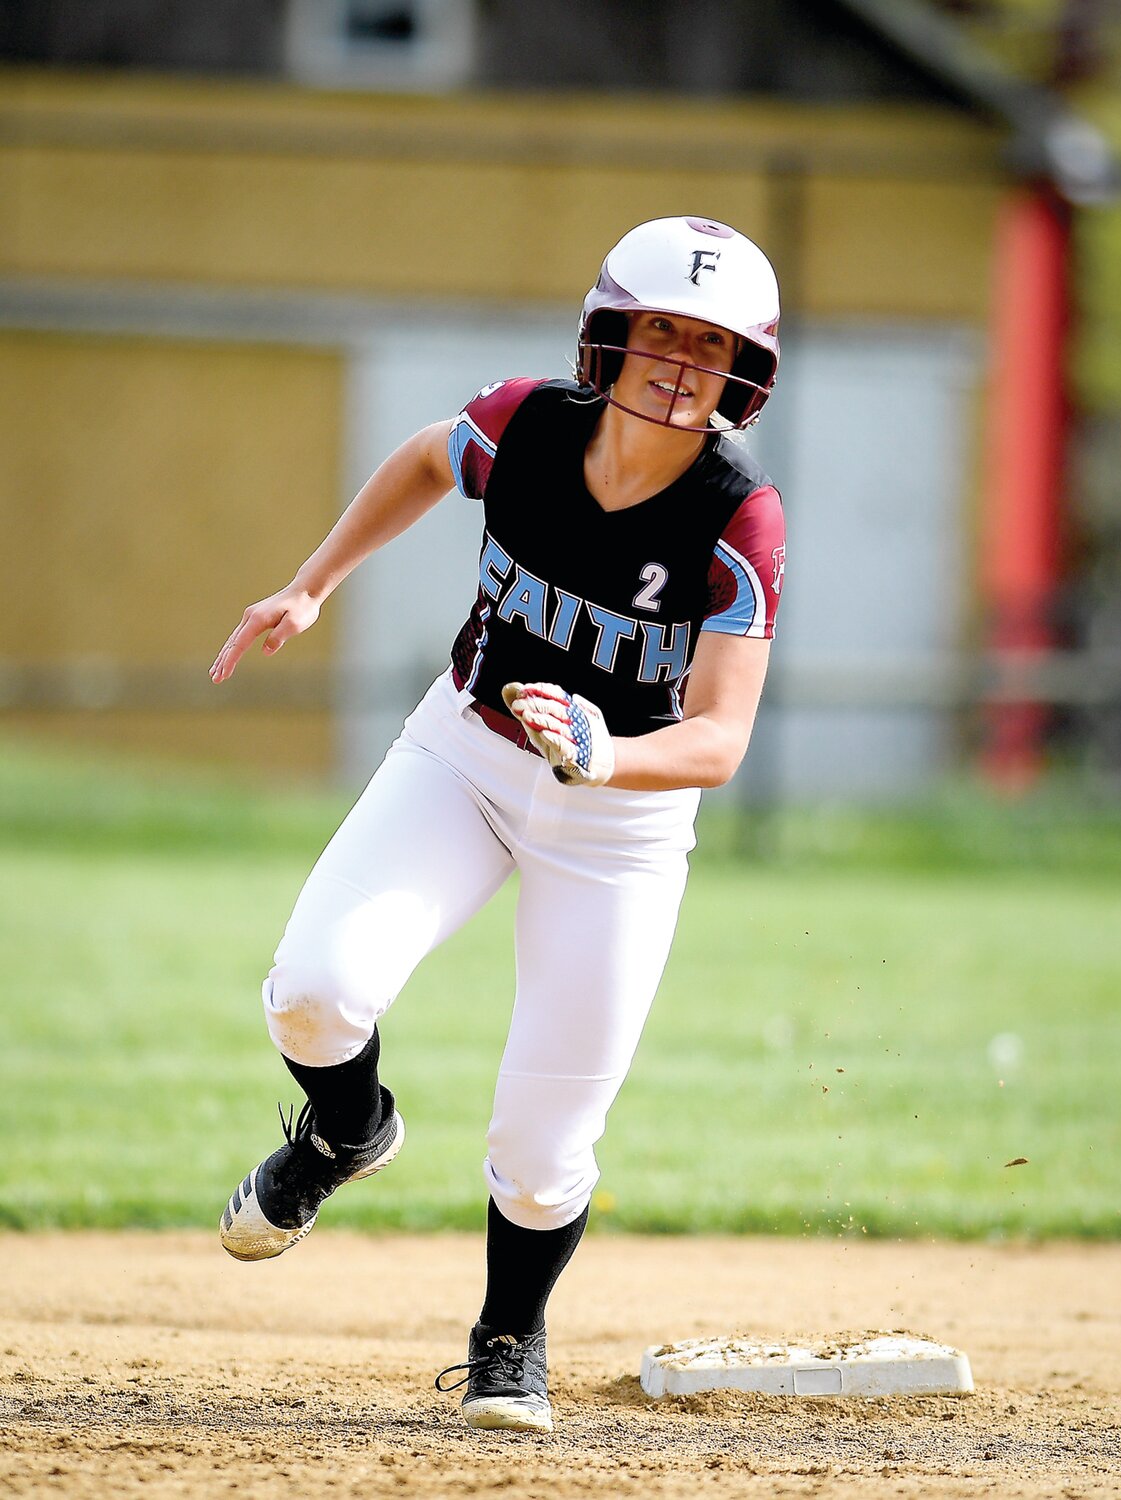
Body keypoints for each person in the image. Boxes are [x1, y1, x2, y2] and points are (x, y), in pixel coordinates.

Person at [210, 216, 786, 1434]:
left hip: (619, 823)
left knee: (542, 1145)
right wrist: (313, 583)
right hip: (464, 754)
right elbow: (429, 459)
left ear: (746, 376)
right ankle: (347, 1135)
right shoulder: (528, 422)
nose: (682, 363)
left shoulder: (739, 518)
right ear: (611, 338)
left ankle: (508, 1337)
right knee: (312, 991)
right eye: (662, 332)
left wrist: (610, 753)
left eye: (712, 346)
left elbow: (724, 739)